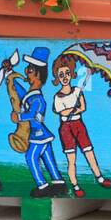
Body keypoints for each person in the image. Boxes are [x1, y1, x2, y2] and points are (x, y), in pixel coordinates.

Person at [51, 54, 111, 198]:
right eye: (61, 74)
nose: (65, 77)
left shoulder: (77, 91)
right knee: (71, 159)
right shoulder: (57, 97)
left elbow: (83, 107)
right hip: (66, 128)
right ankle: (75, 185)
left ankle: (100, 178)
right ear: (57, 77)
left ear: (72, 74)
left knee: (89, 152)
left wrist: (74, 109)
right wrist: (72, 108)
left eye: (67, 73)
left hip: (79, 124)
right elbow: (61, 111)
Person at [10, 46, 67, 198]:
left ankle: (42, 185)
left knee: (30, 157)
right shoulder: (32, 94)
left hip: (38, 134)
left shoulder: (37, 98)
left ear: (38, 74)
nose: (26, 73)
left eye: (29, 70)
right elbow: (22, 95)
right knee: (47, 158)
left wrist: (19, 117)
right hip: (41, 134)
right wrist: (11, 78)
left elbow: (31, 113)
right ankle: (58, 182)